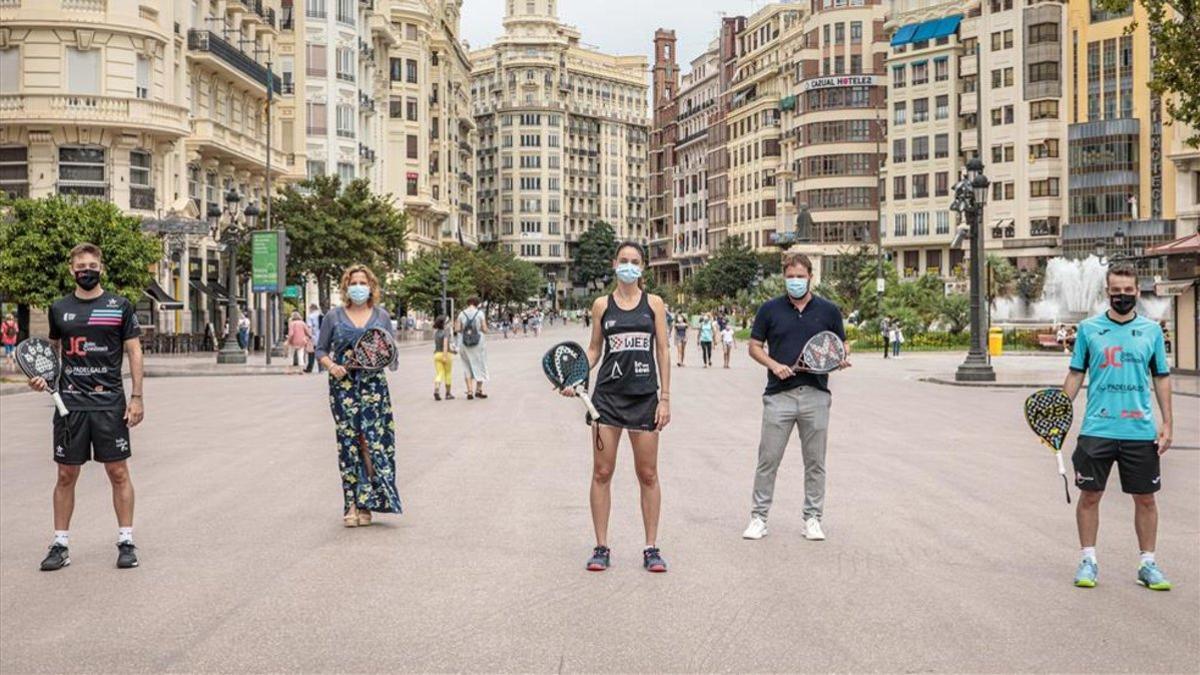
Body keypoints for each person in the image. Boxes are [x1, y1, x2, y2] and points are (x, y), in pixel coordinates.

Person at [29, 243, 145, 571]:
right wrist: (40, 379)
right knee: (66, 474)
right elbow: (50, 354)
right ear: (71, 270)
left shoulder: (119, 306)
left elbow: (134, 352)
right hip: (70, 405)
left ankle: (126, 541)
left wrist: (136, 397)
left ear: (102, 268)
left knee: (118, 472)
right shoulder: (59, 308)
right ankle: (60, 545)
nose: (87, 270)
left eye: (93, 264)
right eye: (81, 266)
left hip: (110, 403)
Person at [1063, 263, 1174, 590]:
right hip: (1097, 428)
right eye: (1116, 292)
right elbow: (1076, 374)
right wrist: (1057, 409)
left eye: (1128, 292)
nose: (1122, 297)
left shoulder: (1152, 332)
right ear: (1107, 292)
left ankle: (1148, 564)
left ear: (1137, 292)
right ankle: (1088, 560)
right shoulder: (1088, 329)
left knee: (1146, 500)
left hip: (1139, 430)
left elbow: (1161, 379)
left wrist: (1167, 422)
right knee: (1090, 496)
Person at [565, 241, 672, 573]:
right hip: (606, 401)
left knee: (648, 474)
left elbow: (663, 352)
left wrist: (664, 398)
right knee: (602, 472)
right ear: (614, 264)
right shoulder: (602, 305)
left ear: (643, 267)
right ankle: (601, 547)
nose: (629, 265)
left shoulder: (654, 304)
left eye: (635, 261)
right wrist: (577, 376)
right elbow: (595, 349)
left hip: (644, 398)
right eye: (624, 260)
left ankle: (651, 548)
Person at [743, 252, 849, 543]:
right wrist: (774, 365)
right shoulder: (769, 310)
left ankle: (812, 519)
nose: (795, 282)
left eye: (800, 277)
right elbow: (754, 346)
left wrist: (840, 358)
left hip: (816, 395)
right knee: (768, 459)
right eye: (790, 277)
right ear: (784, 278)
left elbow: (841, 345)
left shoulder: (828, 311)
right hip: (779, 397)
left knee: (815, 462)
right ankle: (758, 518)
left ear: (810, 277)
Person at [315, 265, 402, 527]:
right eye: (354, 282)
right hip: (343, 387)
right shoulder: (333, 316)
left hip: (374, 388)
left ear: (371, 286)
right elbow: (320, 350)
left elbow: (391, 353)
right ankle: (351, 504)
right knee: (348, 443)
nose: (359, 287)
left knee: (372, 443)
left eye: (363, 282)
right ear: (346, 287)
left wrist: (382, 357)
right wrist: (333, 366)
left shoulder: (382, 316)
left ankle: (368, 503)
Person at [456, 297, 490, 400]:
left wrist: (465, 330)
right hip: (478, 343)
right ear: (477, 303)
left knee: (466, 366)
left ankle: (469, 391)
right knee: (480, 365)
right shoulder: (480, 314)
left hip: (464, 343)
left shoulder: (461, 314)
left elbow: (457, 329)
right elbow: (484, 329)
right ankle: (478, 390)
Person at [432, 316, 455, 401]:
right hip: (446, 354)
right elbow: (445, 344)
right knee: (448, 374)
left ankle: (436, 390)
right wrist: (445, 355)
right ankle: (448, 393)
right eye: (448, 322)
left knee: (439, 373)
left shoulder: (436, 332)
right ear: (444, 323)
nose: (449, 323)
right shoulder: (446, 332)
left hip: (437, 354)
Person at [305, 304, 323, 373]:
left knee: (311, 353)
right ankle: (321, 367)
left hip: (313, 337)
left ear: (311, 309)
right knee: (320, 352)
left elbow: (309, 327)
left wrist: (309, 336)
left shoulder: (310, 316)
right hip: (321, 337)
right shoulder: (322, 315)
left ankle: (310, 368)